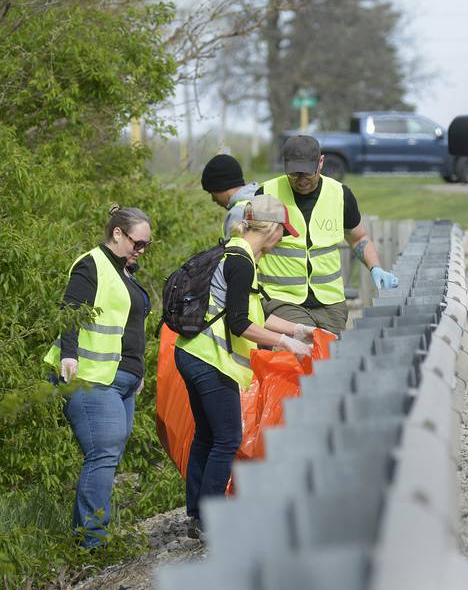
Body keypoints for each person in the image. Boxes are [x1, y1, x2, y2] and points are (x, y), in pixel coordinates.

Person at [174, 194, 312, 540]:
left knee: (207, 435)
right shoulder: (241, 262)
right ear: (271, 229)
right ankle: (209, 521)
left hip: (190, 353)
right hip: (209, 359)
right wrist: (285, 344)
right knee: (228, 437)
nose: (283, 239)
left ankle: (197, 515)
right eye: (283, 232)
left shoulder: (234, 253)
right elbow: (239, 323)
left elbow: (258, 312)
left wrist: (297, 329)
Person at [201, 136, 399, 336]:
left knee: (332, 358)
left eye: (307, 173)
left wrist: (376, 268)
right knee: (303, 354)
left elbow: (358, 238)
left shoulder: (340, 195)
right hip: (282, 300)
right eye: (294, 174)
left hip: (330, 304)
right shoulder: (267, 193)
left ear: (321, 163)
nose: (301, 180)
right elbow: (251, 244)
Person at [44, 206, 153, 548]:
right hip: (92, 377)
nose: (141, 250)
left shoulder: (125, 271)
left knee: (108, 456)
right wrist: (69, 355)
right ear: (118, 233)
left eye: (147, 245)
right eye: (138, 242)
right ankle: (92, 543)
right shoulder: (92, 264)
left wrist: (139, 372)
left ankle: (86, 539)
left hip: (122, 381)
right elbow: (71, 311)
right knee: (103, 453)